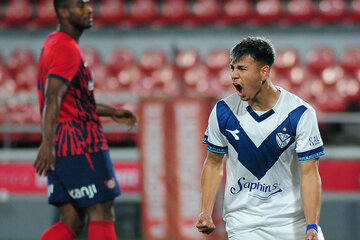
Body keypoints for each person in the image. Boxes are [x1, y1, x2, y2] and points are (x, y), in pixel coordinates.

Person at [196, 36, 325, 240]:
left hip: (293, 222)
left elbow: (310, 174)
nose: (234, 76)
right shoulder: (223, 111)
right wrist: (205, 211)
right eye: (232, 68)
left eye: (242, 69)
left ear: (264, 71)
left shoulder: (299, 113)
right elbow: (213, 163)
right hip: (244, 223)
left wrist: (312, 226)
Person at [33, 0, 137, 239]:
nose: (89, 10)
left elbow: (71, 101)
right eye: (80, 6)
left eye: (88, 5)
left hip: (63, 141)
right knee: (102, 210)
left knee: (72, 219)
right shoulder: (65, 47)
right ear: (63, 12)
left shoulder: (53, 42)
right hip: (80, 141)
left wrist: (111, 112)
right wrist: (47, 144)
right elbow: (52, 96)